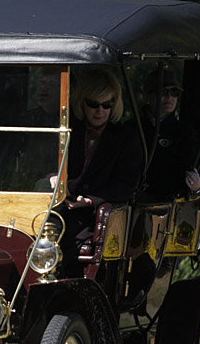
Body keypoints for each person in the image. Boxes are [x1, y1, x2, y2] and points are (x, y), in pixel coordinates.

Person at [49, 68, 143, 275]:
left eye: (106, 105)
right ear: (82, 102)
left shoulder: (125, 138)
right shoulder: (68, 129)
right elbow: (42, 161)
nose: (100, 111)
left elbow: (126, 186)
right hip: (58, 204)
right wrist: (50, 176)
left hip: (91, 215)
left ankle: (59, 285)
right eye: (93, 104)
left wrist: (90, 200)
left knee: (62, 235)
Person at [140, 69, 200, 200]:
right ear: (146, 97)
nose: (169, 97)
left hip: (168, 201)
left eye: (174, 92)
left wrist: (195, 187)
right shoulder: (133, 129)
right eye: (162, 92)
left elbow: (186, 170)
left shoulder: (184, 132)